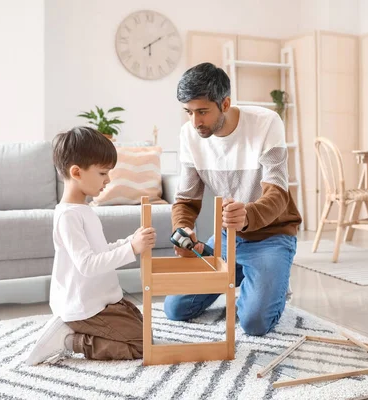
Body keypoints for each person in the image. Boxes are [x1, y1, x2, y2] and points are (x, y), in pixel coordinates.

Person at [164, 63, 302, 336]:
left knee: (253, 323)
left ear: (225, 103)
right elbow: (186, 200)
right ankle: (241, 273)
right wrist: (184, 228)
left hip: (271, 236)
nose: (195, 122)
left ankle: (272, 278)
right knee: (175, 309)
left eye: (202, 111)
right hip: (228, 238)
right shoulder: (189, 135)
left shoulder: (266, 122)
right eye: (188, 112)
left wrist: (249, 215)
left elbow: (277, 194)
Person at [26, 126, 156, 365]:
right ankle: (69, 339)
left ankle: (78, 331)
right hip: (83, 305)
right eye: (102, 173)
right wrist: (132, 250)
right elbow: (87, 265)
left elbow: (99, 250)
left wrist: (128, 241)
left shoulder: (83, 210)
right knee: (143, 345)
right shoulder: (69, 216)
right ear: (76, 172)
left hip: (99, 299)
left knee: (142, 327)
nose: (108, 180)